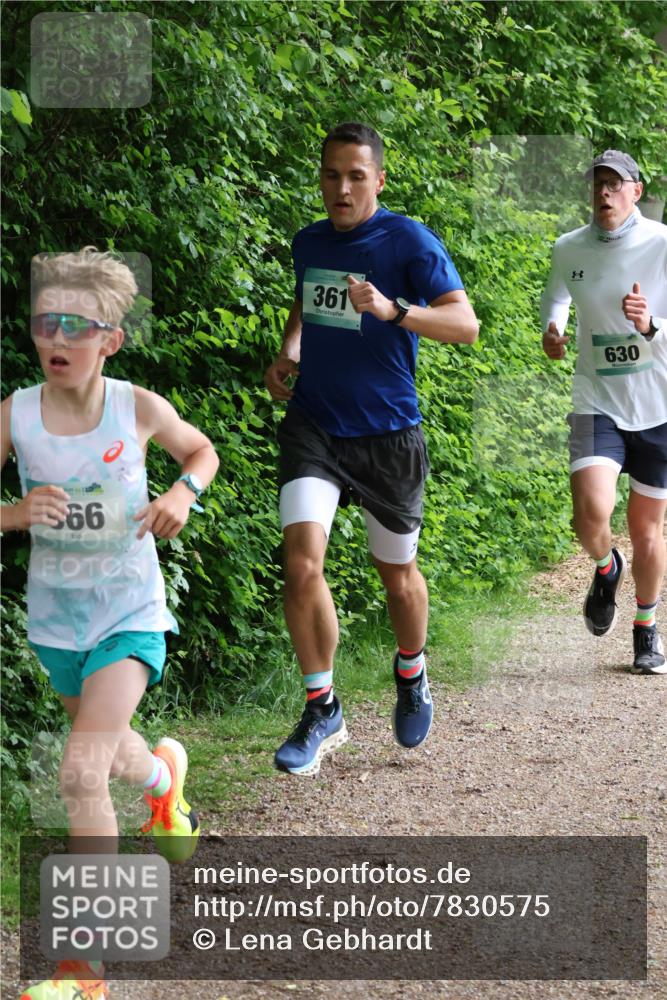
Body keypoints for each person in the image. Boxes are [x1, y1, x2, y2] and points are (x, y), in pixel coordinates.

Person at [2, 247, 219, 999]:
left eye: (75, 325)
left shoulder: (136, 407)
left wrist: (182, 493)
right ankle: (164, 780)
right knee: (113, 753)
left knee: (80, 772)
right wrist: (14, 513)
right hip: (55, 622)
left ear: (111, 340)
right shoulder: (16, 415)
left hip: (129, 613)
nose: (56, 338)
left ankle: (83, 969)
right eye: (45, 323)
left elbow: (201, 451)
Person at [264, 122, 479, 776]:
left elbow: (465, 324)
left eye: (356, 176)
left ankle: (411, 669)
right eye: (331, 175)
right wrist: (290, 350)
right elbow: (306, 300)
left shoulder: (407, 240)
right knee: (301, 563)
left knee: (397, 576)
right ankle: (321, 706)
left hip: (388, 435)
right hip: (315, 426)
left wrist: (394, 311)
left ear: (378, 180)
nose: (342, 188)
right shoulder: (309, 242)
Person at [541, 149, 667, 674]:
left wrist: (651, 325)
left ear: (637, 191)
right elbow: (557, 298)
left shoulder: (662, 244)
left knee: (647, 531)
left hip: (659, 406)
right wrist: (552, 330)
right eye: (597, 183)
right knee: (590, 512)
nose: (604, 192)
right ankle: (605, 565)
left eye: (615, 183)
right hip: (597, 401)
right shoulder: (568, 246)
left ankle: (646, 628)